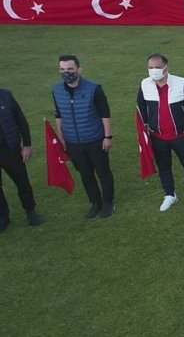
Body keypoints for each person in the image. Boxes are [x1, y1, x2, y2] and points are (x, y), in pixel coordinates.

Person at [137, 54, 184, 212]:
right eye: (151, 67)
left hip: (181, 135)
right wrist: (145, 131)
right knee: (164, 166)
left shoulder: (181, 82)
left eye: (157, 67)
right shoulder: (144, 84)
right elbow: (141, 107)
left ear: (167, 67)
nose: (154, 71)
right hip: (157, 137)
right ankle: (169, 195)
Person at [52, 55, 115, 218]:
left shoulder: (94, 89)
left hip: (95, 140)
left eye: (70, 69)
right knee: (85, 174)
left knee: (103, 172)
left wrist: (107, 137)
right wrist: (62, 137)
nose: (66, 73)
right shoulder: (57, 91)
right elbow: (59, 115)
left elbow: (105, 114)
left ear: (79, 69)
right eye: (63, 70)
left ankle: (108, 203)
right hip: (73, 143)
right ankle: (95, 203)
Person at [0, 88, 43, 232]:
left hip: (10, 149)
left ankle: (31, 211)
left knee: (22, 181)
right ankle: (3, 217)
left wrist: (27, 145)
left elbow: (21, 120)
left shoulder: (5, 95)